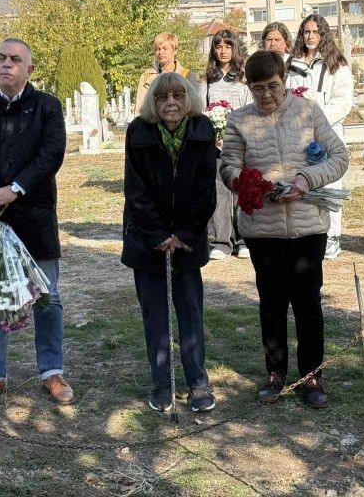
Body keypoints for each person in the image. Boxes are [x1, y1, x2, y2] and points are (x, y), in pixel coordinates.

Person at [220, 50, 348, 408]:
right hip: (263, 229)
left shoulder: (309, 112)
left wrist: (307, 179)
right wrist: (251, 184)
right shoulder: (239, 120)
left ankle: (312, 376)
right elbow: (228, 168)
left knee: (308, 304)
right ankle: (276, 373)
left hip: (308, 227)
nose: (266, 95)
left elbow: (339, 157)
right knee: (272, 303)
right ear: (249, 87)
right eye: (258, 88)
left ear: (284, 81)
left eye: (273, 86)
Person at [0, 38, 72, 407]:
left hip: (34, 213)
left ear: (29, 69)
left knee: (47, 297)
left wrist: (15, 190)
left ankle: (51, 371)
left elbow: (52, 154)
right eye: (1, 58)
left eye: (15, 59)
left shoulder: (47, 106)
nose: (7, 64)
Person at [122, 72, 218, 413]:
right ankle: (162, 384)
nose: (171, 103)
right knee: (156, 318)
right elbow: (135, 190)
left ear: (188, 98)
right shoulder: (138, 132)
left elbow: (206, 191)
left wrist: (185, 235)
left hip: (187, 242)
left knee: (190, 313)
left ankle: (198, 383)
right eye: (162, 98)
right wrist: (159, 235)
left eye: (177, 95)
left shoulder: (202, 130)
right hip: (148, 241)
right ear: (153, 102)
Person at [286, 14, 354, 259]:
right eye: (306, 31)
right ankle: (308, 234)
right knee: (302, 181)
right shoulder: (292, 64)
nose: (310, 36)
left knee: (330, 183)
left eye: (315, 32)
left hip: (328, 133)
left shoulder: (337, 65)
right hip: (298, 133)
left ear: (324, 34)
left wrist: (317, 118)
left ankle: (332, 236)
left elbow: (343, 102)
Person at [198, 29, 251, 261]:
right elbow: (201, 109)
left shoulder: (244, 77)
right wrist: (214, 134)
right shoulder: (208, 79)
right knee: (219, 192)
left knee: (241, 190)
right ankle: (222, 241)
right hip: (216, 145)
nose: (223, 51)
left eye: (228, 46)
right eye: (218, 46)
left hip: (241, 142)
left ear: (234, 48)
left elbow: (250, 107)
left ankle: (243, 239)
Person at [135, 32, 199, 114]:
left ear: (175, 51)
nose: (160, 52)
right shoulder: (146, 77)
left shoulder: (187, 76)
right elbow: (140, 109)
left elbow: (194, 108)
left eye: (165, 49)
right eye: (158, 49)